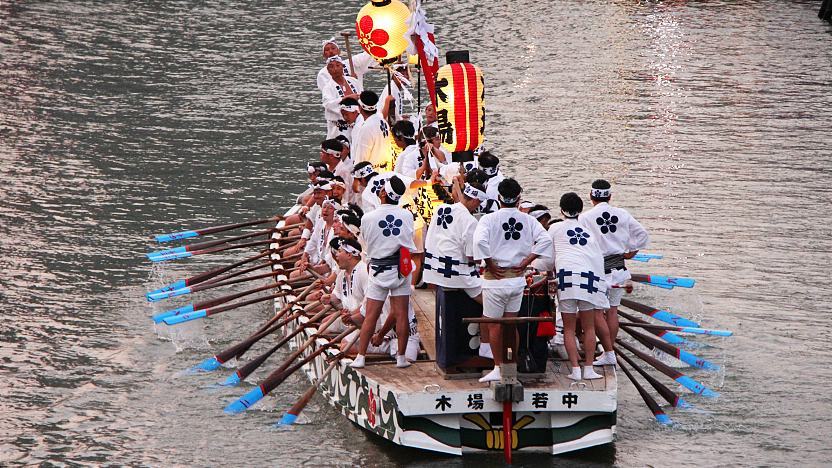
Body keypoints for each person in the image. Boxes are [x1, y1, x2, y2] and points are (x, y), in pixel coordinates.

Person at [472, 178, 552, 383]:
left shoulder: (489, 219)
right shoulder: (529, 220)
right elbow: (545, 240)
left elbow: (479, 241)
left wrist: (489, 263)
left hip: (495, 279)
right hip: (517, 279)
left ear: (499, 198)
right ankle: (511, 364)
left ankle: (498, 366)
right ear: (518, 199)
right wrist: (528, 260)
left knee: (494, 325)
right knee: (511, 323)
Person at [579, 179, 650, 366]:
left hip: (597, 272)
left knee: (596, 311)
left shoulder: (585, 217)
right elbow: (643, 235)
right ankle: (609, 351)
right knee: (612, 311)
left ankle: (608, 352)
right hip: (619, 271)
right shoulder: (622, 214)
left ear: (590, 196)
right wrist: (631, 252)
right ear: (610, 196)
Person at [351, 175, 416, 369]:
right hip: (402, 269)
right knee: (402, 313)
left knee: (371, 315)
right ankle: (401, 358)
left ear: (383, 193)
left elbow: (367, 243)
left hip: (379, 269)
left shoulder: (368, 217)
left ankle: (361, 357)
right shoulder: (407, 215)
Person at [550, 192, 607, 380]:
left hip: (566, 279)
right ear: (580, 211)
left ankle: (575, 370)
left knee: (568, 328)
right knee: (589, 328)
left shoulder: (555, 228)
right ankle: (589, 368)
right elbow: (598, 259)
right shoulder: (590, 232)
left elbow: (547, 257)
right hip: (588, 278)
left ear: (561, 210)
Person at [352, 91, 394, 172]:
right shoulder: (383, 122)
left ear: (360, 108)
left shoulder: (366, 127)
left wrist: (357, 179)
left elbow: (361, 158)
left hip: (371, 174)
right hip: (385, 169)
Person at [321, 56, 362, 138]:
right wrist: (346, 99)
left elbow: (362, 98)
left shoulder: (354, 81)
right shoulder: (328, 88)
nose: (335, 69)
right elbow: (328, 104)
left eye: (338, 65)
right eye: (331, 67)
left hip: (357, 126)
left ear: (342, 67)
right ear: (328, 71)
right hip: (338, 129)